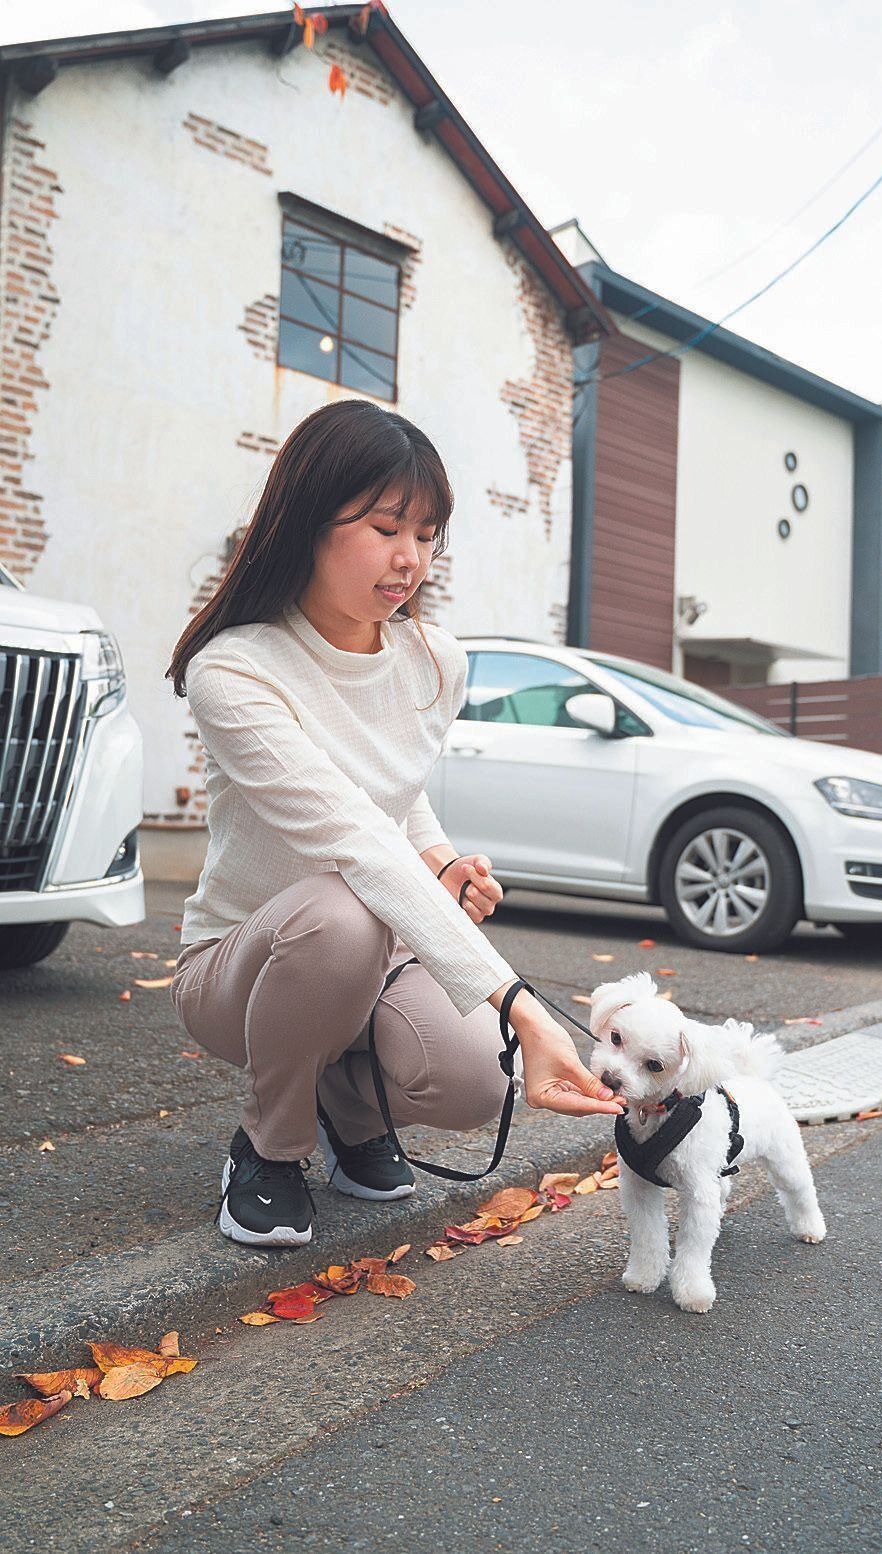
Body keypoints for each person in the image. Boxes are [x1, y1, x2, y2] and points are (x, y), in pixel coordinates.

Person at [165, 399, 623, 1247]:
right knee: (338, 911)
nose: (410, 557)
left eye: (426, 533)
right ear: (308, 521)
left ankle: (346, 1108)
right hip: (241, 969)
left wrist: (442, 862)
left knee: (473, 1078)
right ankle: (270, 1145)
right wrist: (523, 1008)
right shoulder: (235, 670)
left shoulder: (433, 659)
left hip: (375, 955)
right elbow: (352, 833)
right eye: (384, 528)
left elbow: (396, 792)